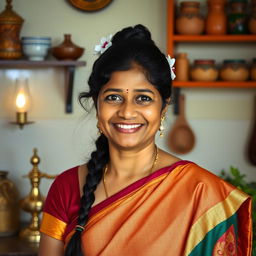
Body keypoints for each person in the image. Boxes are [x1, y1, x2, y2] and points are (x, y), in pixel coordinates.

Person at [39, 24, 252, 256]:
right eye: (113, 97)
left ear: (163, 106)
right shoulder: (67, 187)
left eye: (143, 98)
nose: (127, 112)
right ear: (96, 104)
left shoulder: (201, 192)